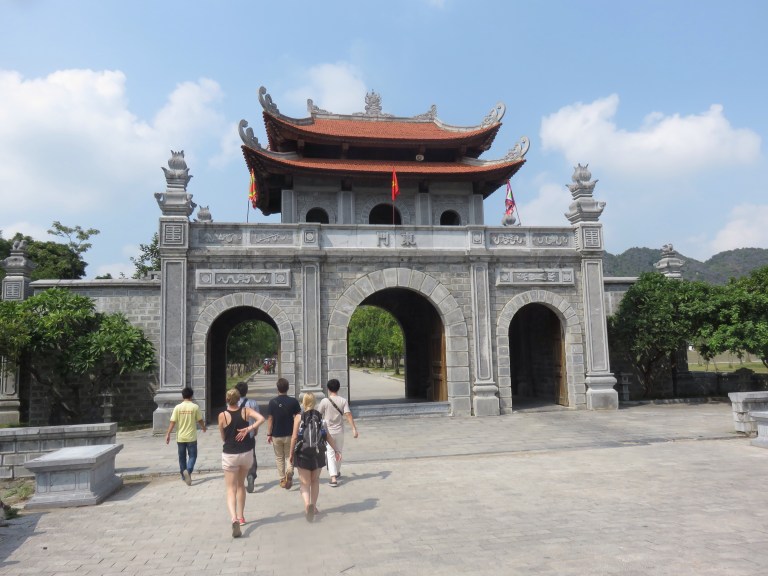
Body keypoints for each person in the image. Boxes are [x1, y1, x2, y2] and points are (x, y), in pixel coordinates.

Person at [218, 388, 265, 538]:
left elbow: (223, 436)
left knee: (230, 489)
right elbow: (261, 419)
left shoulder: (222, 415)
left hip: (230, 454)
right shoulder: (246, 411)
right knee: (240, 485)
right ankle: (241, 517)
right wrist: (249, 428)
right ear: (239, 399)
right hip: (246, 453)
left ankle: (234, 519)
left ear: (227, 399)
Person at [289, 392, 341, 522]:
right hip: (318, 454)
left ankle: (307, 506)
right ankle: (314, 505)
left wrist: (291, 454)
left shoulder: (298, 417)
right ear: (314, 402)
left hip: (302, 453)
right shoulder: (320, 417)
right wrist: (336, 450)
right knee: (315, 481)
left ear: (303, 402)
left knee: (304, 482)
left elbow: (294, 437)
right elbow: (327, 436)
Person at [318, 379, 358, 487]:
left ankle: (333, 477)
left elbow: (318, 414)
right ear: (338, 388)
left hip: (328, 432)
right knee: (339, 451)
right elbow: (348, 414)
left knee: (330, 453)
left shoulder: (325, 401)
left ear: (328, 388)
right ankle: (337, 471)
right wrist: (354, 428)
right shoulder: (343, 401)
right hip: (340, 431)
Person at [165, 387, 207, 486]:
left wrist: (168, 433)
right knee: (193, 456)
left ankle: (184, 476)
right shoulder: (195, 407)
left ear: (182, 396)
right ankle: (188, 471)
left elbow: (172, 422)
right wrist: (203, 427)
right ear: (191, 396)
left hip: (180, 437)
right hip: (191, 437)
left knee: (182, 457)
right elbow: (200, 420)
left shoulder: (177, 407)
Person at [266, 378, 301, 489]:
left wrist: (269, 434)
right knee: (289, 455)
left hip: (276, 434)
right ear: (288, 388)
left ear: (277, 388)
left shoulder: (272, 402)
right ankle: (289, 471)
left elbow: (270, 419)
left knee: (279, 457)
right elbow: (298, 417)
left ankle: (282, 479)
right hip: (290, 434)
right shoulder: (294, 402)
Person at [234, 381, 260, 493]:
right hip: (249, 434)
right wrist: (255, 430)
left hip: (236, 435)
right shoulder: (253, 403)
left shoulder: (232, 403)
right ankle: (251, 474)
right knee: (252, 455)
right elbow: (258, 419)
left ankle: (239, 478)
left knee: (237, 456)